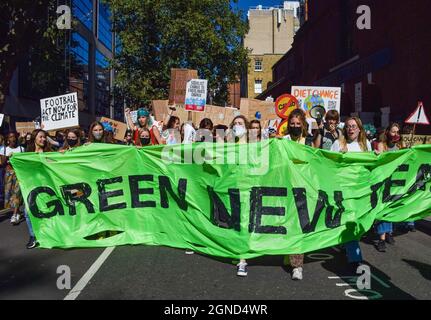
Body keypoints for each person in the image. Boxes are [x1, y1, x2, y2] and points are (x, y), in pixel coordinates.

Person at [331, 117, 371, 270]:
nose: (351, 129)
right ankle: (355, 258)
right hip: (344, 190)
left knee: (358, 223)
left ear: (359, 129)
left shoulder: (364, 144)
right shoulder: (338, 144)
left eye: (354, 126)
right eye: (348, 126)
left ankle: (344, 242)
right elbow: (328, 164)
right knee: (350, 222)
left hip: (361, 190)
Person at [25, 129, 52, 249]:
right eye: (40, 137)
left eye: (44, 137)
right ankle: (33, 236)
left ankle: (50, 234)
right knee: (27, 211)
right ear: (35, 138)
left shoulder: (49, 152)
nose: (43, 139)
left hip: (46, 187)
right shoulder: (27, 154)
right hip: (31, 187)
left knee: (49, 211)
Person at [1, 132, 25, 225]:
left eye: (14, 136)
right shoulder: (4, 149)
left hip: (18, 173)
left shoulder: (21, 149)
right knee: (10, 193)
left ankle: (14, 214)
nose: (13, 138)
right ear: (8, 139)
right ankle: (18, 211)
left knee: (17, 193)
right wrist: (7, 156)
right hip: (8, 173)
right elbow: (2, 163)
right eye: (10, 137)